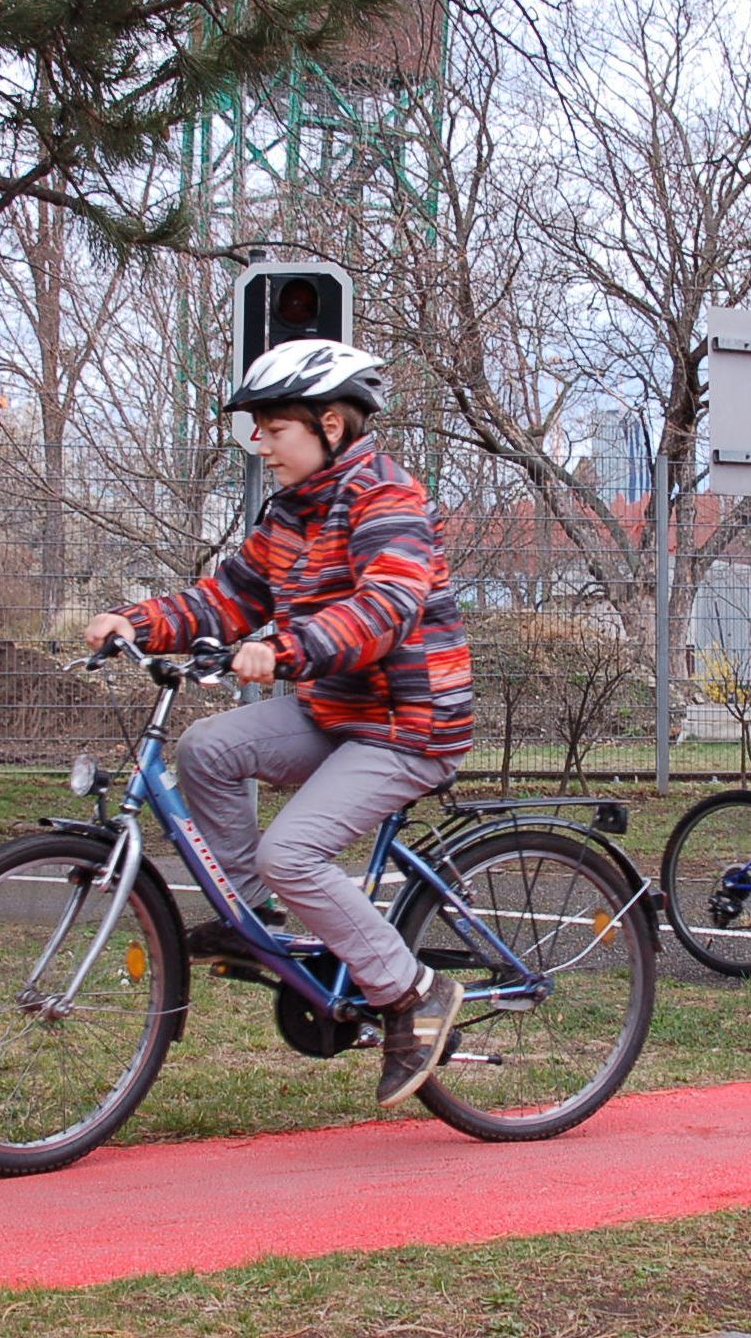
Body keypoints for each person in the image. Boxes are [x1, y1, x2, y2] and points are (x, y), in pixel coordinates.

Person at [83, 338, 475, 1109]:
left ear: (331, 422)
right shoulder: (291, 512)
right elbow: (224, 599)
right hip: (337, 708)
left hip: (408, 721)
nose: (259, 444)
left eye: (272, 428)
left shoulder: (386, 500)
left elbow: (387, 607)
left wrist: (287, 647)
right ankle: (251, 918)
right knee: (207, 750)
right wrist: (133, 622)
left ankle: (414, 995)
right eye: (255, 430)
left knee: (294, 852)